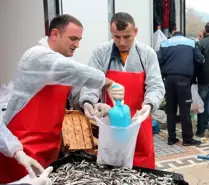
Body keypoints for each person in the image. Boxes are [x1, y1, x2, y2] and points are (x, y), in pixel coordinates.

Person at [0, 14, 124, 183]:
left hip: (50, 149)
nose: (77, 45)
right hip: (21, 150)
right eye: (73, 38)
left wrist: (87, 104)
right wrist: (107, 83)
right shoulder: (36, 56)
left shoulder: (61, 64)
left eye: (79, 40)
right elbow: (76, 71)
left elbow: (75, 92)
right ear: (55, 34)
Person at [79, 12, 165, 169]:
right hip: (111, 123)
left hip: (139, 121)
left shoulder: (146, 53)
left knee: (142, 165)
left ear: (136, 32)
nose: (122, 42)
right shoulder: (101, 52)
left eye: (127, 36)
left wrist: (148, 106)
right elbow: (91, 81)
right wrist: (87, 102)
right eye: (116, 37)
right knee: (113, 164)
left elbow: (156, 85)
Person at [157, 31, 204, 146]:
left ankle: (171, 138)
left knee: (171, 110)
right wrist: (193, 74)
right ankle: (187, 139)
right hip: (184, 79)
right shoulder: (191, 43)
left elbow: (158, 61)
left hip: (168, 79)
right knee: (184, 110)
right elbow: (200, 59)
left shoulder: (164, 43)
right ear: (183, 36)